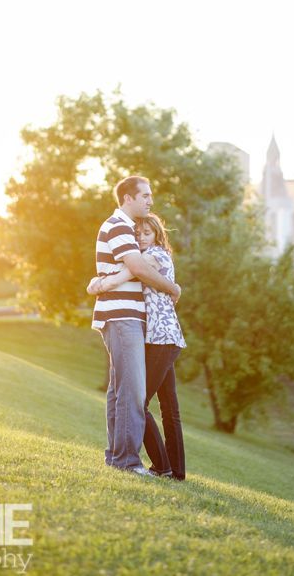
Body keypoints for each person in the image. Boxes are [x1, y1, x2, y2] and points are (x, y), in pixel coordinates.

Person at [92, 176, 181, 476]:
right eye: (145, 195)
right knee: (131, 391)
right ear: (128, 198)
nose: (150, 201)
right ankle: (127, 461)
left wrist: (102, 281)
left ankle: (117, 457)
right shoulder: (118, 226)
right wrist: (172, 288)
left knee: (120, 390)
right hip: (121, 316)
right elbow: (139, 268)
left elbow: (130, 269)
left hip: (127, 316)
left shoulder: (127, 230)